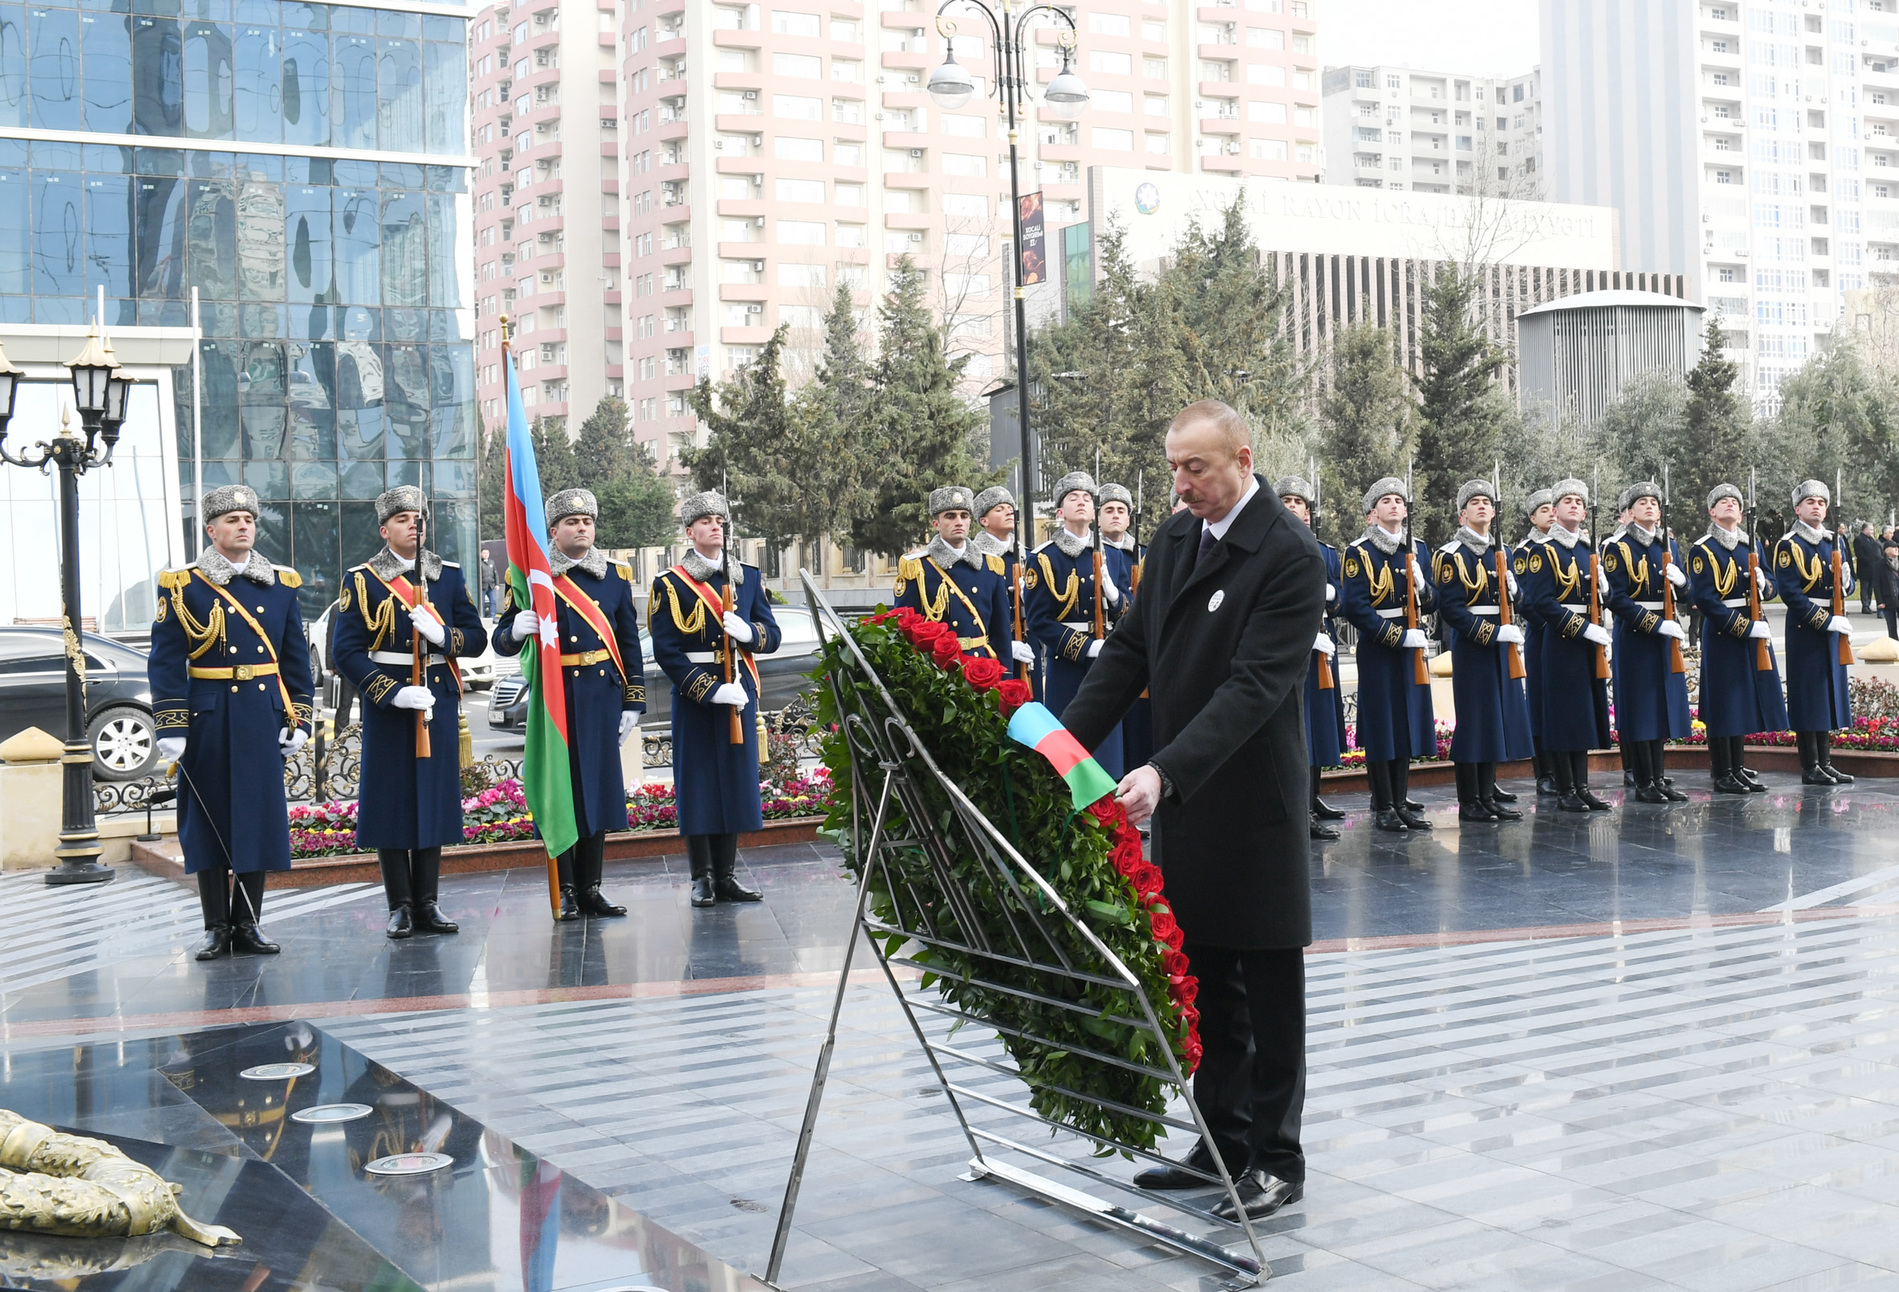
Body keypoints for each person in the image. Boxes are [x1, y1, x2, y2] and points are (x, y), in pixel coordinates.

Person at [1061, 399, 1323, 1222]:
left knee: (1268, 982)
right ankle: (1219, 1147)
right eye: (1173, 467)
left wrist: (1165, 772)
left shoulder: (1287, 554)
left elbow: (1254, 686)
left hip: (1251, 802)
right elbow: (1131, 648)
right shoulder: (1176, 539)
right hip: (1185, 795)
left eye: (1196, 467)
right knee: (1204, 980)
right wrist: (1062, 749)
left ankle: (1277, 1158)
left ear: (1241, 459)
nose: (1181, 485)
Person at [149, 485, 313, 960]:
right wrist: (172, 725)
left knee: (256, 819)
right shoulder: (184, 584)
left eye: (249, 519)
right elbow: (165, 661)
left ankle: (249, 924)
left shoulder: (281, 583)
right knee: (209, 819)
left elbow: (295, 661)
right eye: (232, 520)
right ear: (211, 530)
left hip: (261, 715)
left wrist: (299, 717)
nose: (244, 526)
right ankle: (215, 925)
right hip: (209, 714)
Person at [333, 486, 489, 938]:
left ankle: (428, 901)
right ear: (385, 530)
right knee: (391, 800)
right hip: (391, 704)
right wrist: (391, 692)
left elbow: (475, 638)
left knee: (432, 800)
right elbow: (346, 652)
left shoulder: (449, 576)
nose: (413, 524)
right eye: (402, 519)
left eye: (418, 517)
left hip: (437, 696)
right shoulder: (362, 580)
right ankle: (399, 904)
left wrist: (443, 636)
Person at [492, 488, 648, 920]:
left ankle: (591, 887)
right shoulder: (533, 576)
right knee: (563, 790)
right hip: (557, 698)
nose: (583, 528)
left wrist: (632, 701)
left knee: (595, 793)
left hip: (600, 696)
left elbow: (629, 643)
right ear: (554, 532)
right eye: (573, 523)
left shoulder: (614, 576)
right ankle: (566, 890)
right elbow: (501, 641)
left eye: (588, 522)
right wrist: (517, 630)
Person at [648, 491, 781, 906]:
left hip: (739, 691)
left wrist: (749, 634)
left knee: (735, 783)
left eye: (720, 520)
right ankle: (701, 876)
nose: (715, 526)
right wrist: (709, 690)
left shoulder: (748, 578)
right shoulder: (669, 584)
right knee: (700, 783)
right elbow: (666, 651)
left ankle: (726, 875)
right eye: (706, 521)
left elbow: (771, 635)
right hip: (697, 695)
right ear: (690, 532)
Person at [1340, 477, 1437, 832]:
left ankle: (1400, 800)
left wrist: (1423, 586)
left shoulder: (1418, 549)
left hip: (1410, 646)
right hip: (1380, 649)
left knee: (1406, 723)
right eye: (1386, 501)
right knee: (1383, 727)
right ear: (1372, 514)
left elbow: (1432, 601)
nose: (1395, 505)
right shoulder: (1359, 552)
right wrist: (1398, 637)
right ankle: (1383, 805)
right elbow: (1356, 608)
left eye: (1399, 500)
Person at [1433, 481, 1533, 821]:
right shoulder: (1451, 555)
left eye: (1486, 503)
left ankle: (1488, 793)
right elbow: (1452, 609)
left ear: (1493, 512)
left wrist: (1516, 593)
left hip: (1501, 644)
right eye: (1474, 502)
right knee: (1474, 721)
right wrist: (1492, 633)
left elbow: (1517, 601)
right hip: (1474, 646)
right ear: (1462, 515)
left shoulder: (1499, 554)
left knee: (1495, 719)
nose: (1481, 507)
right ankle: (1469, 799)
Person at [1520, 479, 1614, 811]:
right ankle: (1564, 789)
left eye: (1579, 501)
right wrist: (1582, 629)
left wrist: (1605, 590)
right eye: (1567, 501)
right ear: (1555, 511)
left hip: (1587, 644)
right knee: (1562, 717)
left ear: (1585, 512)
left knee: (1583, 715)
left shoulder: (1589, 550)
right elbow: (1543, 602)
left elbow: (1604, 598)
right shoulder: (1543, 551)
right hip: (1561, 642)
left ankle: (1582, 786)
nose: (1574, 505)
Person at [1024, 470, 1126, 777]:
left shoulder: (1113, 555)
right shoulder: (1044, 558)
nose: (1081, 502)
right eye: (1073, 498)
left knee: (1107, 754)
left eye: (1087, 498)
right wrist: (1086, 646)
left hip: (1106, 663)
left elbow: (1130, 614)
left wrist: (1116, 596)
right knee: (1070, 752)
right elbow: (1040, 620)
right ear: (1059, 512)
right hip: (1067, 665)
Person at [1688, 483, 1784, 794]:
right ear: (1711, 512)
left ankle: (1738, 766)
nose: (1729, 505)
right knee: (1723, 702)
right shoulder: (1702, 549)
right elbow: (1705, 599)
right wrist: (1743, 627)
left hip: (1752, 629)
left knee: (1742, 699)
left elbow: (1771, 584)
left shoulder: (1750, 544)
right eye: (1722, 502)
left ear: (1741, 514)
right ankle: (1722, 770)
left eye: (1734, 502)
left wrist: (1764, 584)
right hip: (1723, 632)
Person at [1601, 482, 1693, 803]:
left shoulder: (1667, 543)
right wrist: (1656, 625)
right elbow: (1617, 598)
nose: (1651, 506)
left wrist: (1682, 583)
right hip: (1637, 637)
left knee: (1660, 708)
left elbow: (1684, 593)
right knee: (1641, 711)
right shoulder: (1618, 546)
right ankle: (1643, 781)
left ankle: (1658, 777)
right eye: (1643, 502)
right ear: (1631, 511)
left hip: (1665, 636)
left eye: (1654, 502)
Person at [1275, 476, 1348, 840]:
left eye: (1298, 501)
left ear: (1307, 511)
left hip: (1325, 648)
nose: (1292, 506)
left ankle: (1314, 797)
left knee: (1318, 726)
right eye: (1285, 500)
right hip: (1294, 648)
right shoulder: (1270, 547)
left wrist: (1331, 594)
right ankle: (1299, 806)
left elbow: (1340, 602)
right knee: (1297, 728)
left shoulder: (1327, 552)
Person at [1775, 480, 1857, 785]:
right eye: (1810, 502)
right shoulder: (1790, 544)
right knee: (1808, 697)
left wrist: (1847, 583)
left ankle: (1826, 761)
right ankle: (1810, 766)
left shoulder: (1834, 541)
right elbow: (1791, 593)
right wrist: (1824, 621)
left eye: (1821, 503)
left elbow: (1843, 586)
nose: (1817, 507)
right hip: (1806, 628)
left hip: (1832, 626)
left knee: (1826, 696)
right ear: (1798, 509)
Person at [893, 486, 1026, 666]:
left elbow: (1000, 632)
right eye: (950, 516)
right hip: (938, 672)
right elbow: (905, 631)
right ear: (936, 524)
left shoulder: (990, 566)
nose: (959, 521)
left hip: (982, 669)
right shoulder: (918, 567)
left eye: (964, 516)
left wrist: (1005, 678)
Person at [1100, 482, 1154, 771]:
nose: (1116, 515)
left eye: (1121, 510)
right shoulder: (1097, 553)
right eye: (1109, 509)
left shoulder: (1142, 552)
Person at [1515, 489, 1557, 795]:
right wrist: (1555, 623)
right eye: (1544, 510)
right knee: (1542, 704)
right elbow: (1526, 600)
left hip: (1567, 636)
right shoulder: (1525, 550)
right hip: (1542, 634)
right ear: (1532, 518)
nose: (1552, 513)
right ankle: (1543, 771)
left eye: (1553, 508)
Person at [1854, 521, 1883, 614]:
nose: (1873, 531)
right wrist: (1870, 561)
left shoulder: (1872, 540)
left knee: (1870, 588)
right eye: (1871, 529)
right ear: (1865, 530)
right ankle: (1865, 606)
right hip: (1864, 568)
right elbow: (1860, 555)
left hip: (1873, 569)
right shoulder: (1859, 539)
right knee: (1865, 588)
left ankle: (1869, 605)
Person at [1880, 541, 1899, 640]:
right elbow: (1877, 584)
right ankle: (1895, 645)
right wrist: (1880, 601)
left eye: (1897, 547)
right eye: (1894, 547)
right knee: (1891, 627)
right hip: (1888, 599)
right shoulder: (1880, 564)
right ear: (1887, 550)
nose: (1896, 549)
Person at [479, 549, 501, 617]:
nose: (486, 554)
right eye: (484, 553)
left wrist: (497, 584)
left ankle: (492, 617)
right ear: (481, 554)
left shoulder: (492, 562)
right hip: (482, 586)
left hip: (491, 585)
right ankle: (481, 617)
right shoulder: (479, 562)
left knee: (493, 601)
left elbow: (495, 573)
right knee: (481, 603)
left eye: (487, 553)